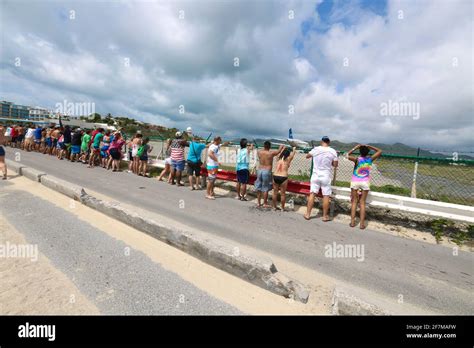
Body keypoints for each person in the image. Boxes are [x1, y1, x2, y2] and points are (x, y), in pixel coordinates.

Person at [347, 144, 382, 229]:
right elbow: (379, 151)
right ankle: (362, 224)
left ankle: (352, 222)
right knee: (362, 203)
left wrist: (355, 147)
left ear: (360, 152)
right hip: (365, 182)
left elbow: (347, 155)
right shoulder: (370, 159)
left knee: (354, 202)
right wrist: (369, 146)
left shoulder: (356, 159)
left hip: (355, 181)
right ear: (367, 152)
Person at [304, 136, 338, 222]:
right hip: (325, 176)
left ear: (321, 141)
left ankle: (308, 214)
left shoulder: (316, 149)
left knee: (312, 194)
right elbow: (335, 165)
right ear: (329, 142)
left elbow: (307, 156)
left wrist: (314, 153)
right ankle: (324, 216)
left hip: (315, 175)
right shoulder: (333, 151)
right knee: (326, 196)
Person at [255, 141, 284, 208]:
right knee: (265, 188)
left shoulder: (259, 152)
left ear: (264, 146)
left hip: (259, 170)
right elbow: (278, 152)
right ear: (270, 147)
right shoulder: (271, 153)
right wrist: (281, 147)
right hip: (267, 171)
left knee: (259, 187)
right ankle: (265, 203)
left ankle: (258, 203)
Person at [272, 146, 296, 211]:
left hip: (275, 176)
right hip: (283, 177)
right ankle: (282, 208)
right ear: (288, 154)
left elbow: (279, 153)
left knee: (275, 193)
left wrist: (282, 149)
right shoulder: (288, 159)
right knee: (283, 194)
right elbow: (293, 154)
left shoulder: (278, 158)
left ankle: (274, 207)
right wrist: (294, 149)